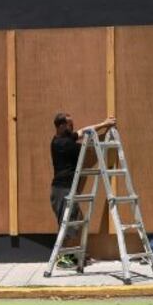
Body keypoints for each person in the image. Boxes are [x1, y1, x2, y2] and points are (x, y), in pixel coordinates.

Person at [50, 112, 116, 267]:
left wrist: (103, 124)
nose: (73, 127)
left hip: (67, 189)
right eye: (70, 125)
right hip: (62, 190)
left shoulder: (64, 138)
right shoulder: (62, 144)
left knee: (74, 222)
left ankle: (76, 255)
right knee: (68, 224)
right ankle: (62, 258)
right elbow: (86, 146)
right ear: (61, 126)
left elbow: (83, 132)